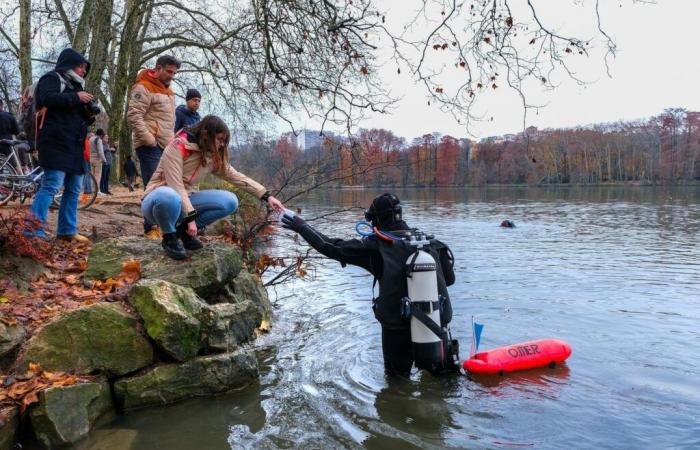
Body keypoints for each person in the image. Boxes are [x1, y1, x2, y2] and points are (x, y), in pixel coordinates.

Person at [281, 193, 458, 377]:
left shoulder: (375, 247)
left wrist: (301, 226)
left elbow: (331, 247)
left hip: (396, 331)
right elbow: (450, 280)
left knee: (397, 383)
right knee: (442, 381)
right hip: (434, 326)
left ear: (376, 220)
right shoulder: (430, 243)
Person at [141, 115, 285, 259]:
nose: (222, 145)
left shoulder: (211, 156)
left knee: (230, 201)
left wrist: (266, 195)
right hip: (157, 203)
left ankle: (183, 232)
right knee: (169, 196)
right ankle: (169, 237)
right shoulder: (177, 146)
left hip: (185, 202)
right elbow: (176, 185)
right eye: (219, 140)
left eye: (224, 141)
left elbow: (237, 176)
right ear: (206, 135)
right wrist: (190, 218)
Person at [28, 48, 97, 242]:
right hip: (55, 142)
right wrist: (76, 98)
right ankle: (32, 230)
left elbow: (72, 115)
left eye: (85, 68)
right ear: (69, 64)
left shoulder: (76, 87)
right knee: (51, 185)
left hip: (74, 146)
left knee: (74, 188)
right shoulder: (51, 78)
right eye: (80, 66)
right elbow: (46, 99)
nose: (83, 71)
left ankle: (67, 230)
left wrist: (88, 114)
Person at [127, 54, 179, 233]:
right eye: (169, 71)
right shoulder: (143, 87)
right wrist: (149, 139)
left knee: (165, 186)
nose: (171, 76)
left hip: (166, 146)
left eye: (174, 73)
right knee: (153, 186)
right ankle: (150, 228)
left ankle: (164, 226)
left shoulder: (169, 92)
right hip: (150, 146)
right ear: (158, 69)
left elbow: (168, 121)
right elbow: (134, 115)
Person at [89, 128, 106, 195]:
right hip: (97, 159)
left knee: (92, 176)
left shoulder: (90, 139)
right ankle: (97, 191)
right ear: (101, 135)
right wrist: (104, 160)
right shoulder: (98, 140)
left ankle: (92, 190)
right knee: (97, 176)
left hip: (90, 159)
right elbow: (100, 152)